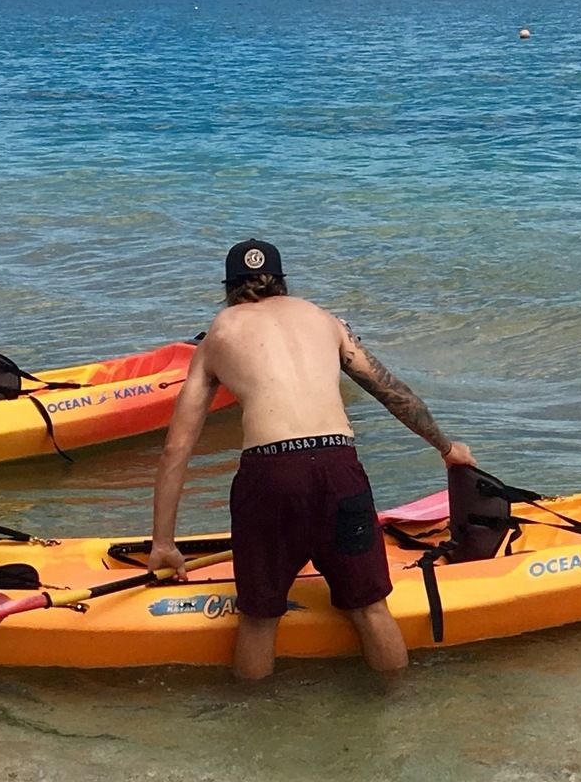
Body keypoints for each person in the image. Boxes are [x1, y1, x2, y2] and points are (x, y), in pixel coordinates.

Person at [146, 238, 480, 688]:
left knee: (259, 618)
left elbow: (177, 448)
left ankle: (253, 718)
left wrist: (163, 542)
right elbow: (392, 391)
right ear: (282, 282)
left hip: (269, 475)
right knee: (370, 608)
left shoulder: (220, 333)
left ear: (229, 288)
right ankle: (398, 709)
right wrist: (445, 447)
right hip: (339, 468)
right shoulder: (325, 320)